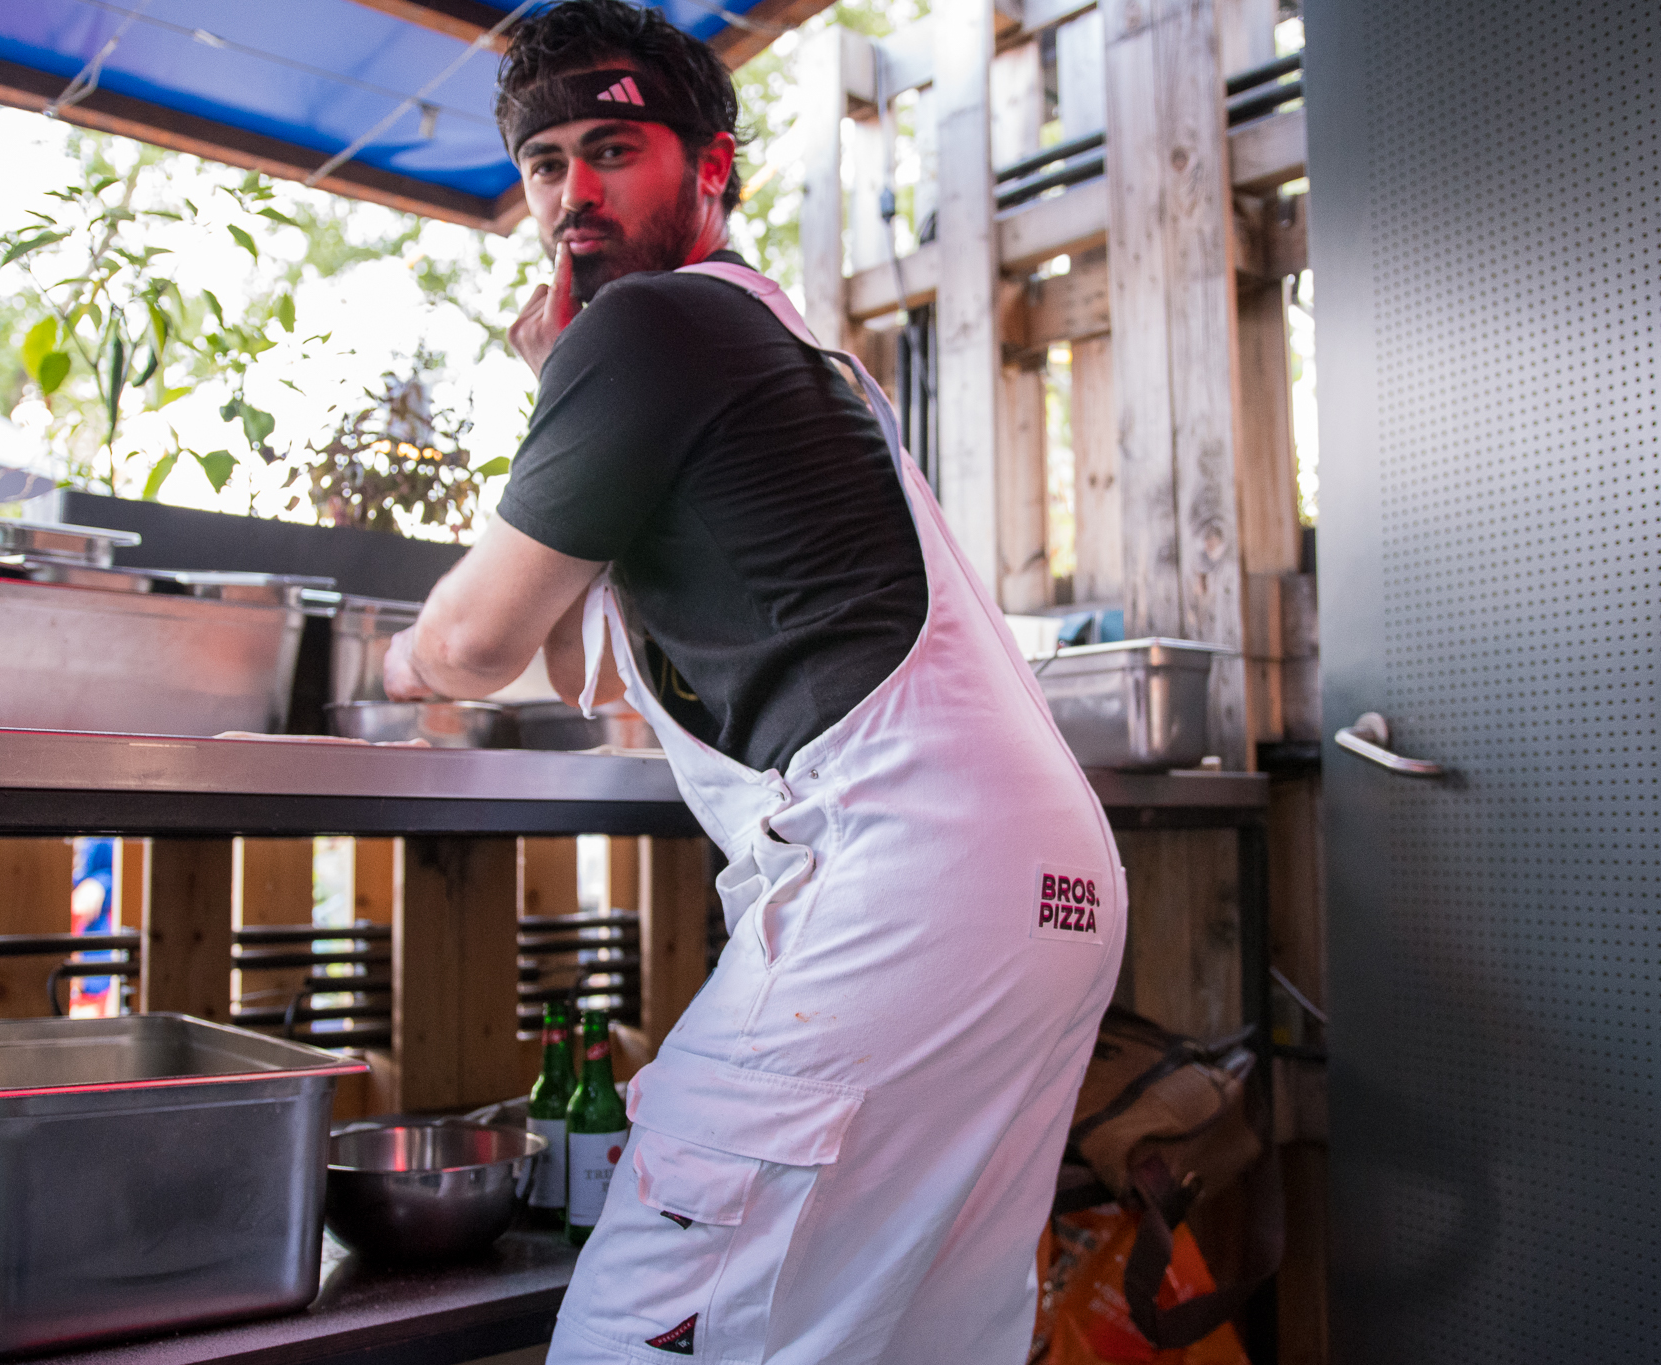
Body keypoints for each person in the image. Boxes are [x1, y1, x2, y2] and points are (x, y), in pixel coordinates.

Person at [383, 4, 1127, 1360]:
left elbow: (477, 647)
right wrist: (559, 391)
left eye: (614, 150)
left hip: (899, 882)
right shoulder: (785, 352)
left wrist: (391, 657)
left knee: (639, 1336)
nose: (574, 191)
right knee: (906, 1343)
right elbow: (590, 649)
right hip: (1045, 894)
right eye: (545, 163)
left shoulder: (658, 325)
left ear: (712, 168)